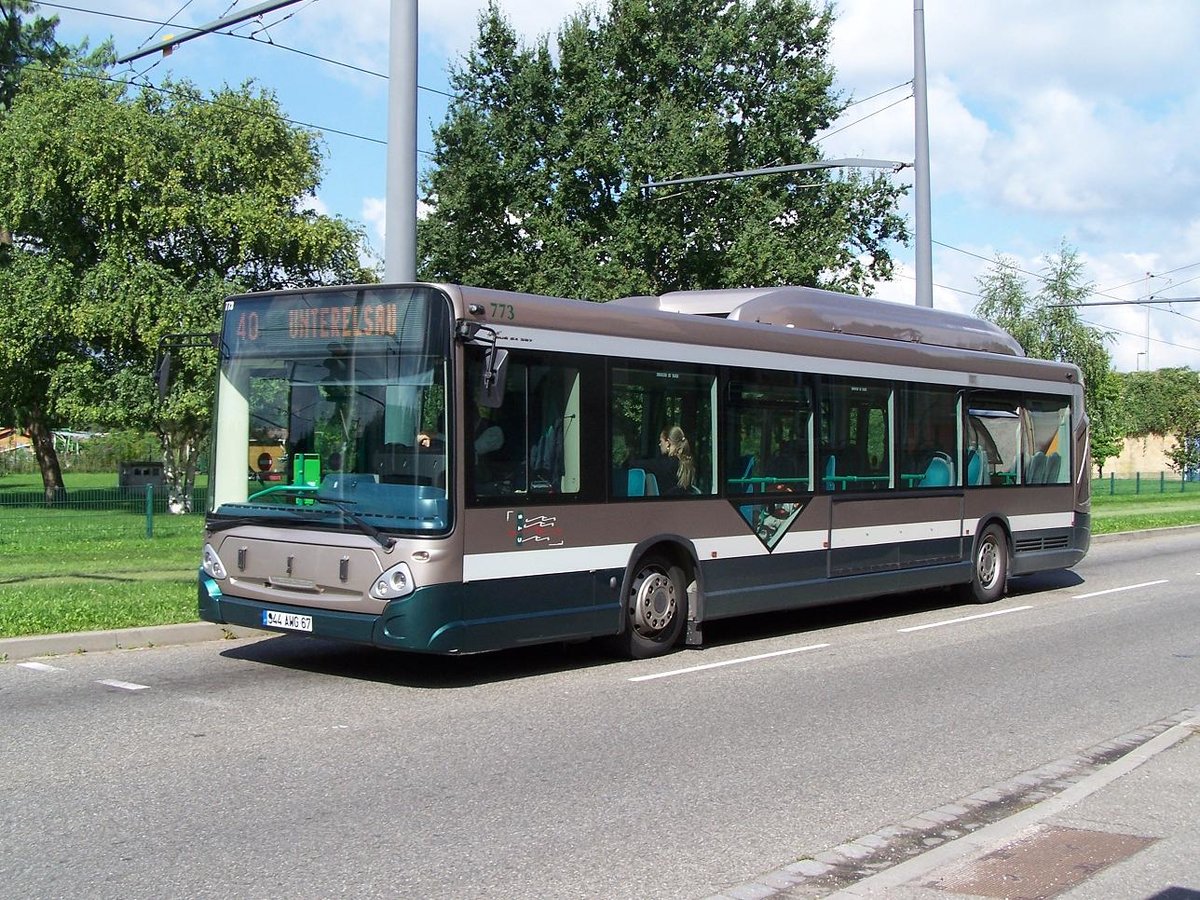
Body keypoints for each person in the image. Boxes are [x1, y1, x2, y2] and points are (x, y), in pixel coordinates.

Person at [656, 425, 696, 494]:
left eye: (661, 441)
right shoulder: (687, 464)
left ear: (668, 443)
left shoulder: (666, 465)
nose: (659, 444)